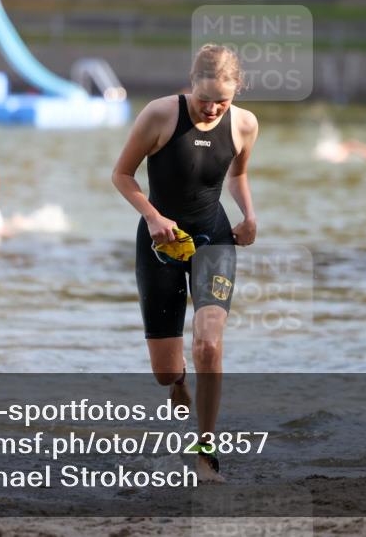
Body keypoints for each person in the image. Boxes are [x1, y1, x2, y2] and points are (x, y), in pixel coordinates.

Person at [111, 44, 259, 483]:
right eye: (204, 99)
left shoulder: (245, 125)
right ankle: (178, 381)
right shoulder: (160, 115)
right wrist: (153, 217)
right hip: (161, 242)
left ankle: (206, 450)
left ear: (235, 95)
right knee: (165, 371)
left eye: (223, 101)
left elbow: (238, 174)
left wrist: (249, 215)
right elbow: (122, 174)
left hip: (213, 237)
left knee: (209, 343)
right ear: (190, 85)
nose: (213, 108)